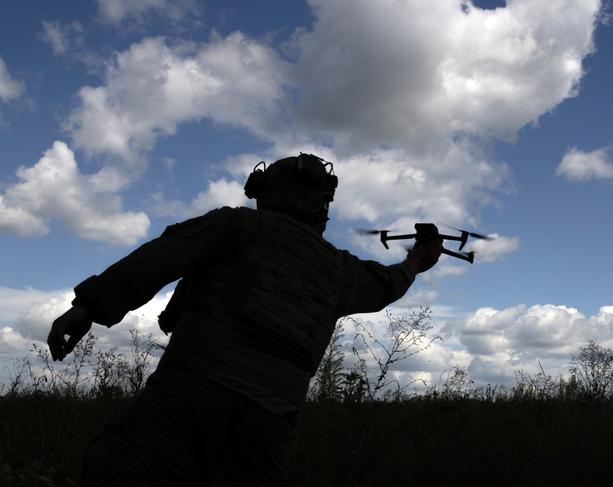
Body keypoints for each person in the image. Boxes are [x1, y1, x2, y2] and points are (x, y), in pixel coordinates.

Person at [47, 153, 443, 486]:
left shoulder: (235, 226)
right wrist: (416, 262)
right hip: (264, 430)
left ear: (265, 191)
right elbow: (388, 283)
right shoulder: (340, 270)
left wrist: (88, 308)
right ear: (321, 204)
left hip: (182, 402)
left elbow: (163, 256)